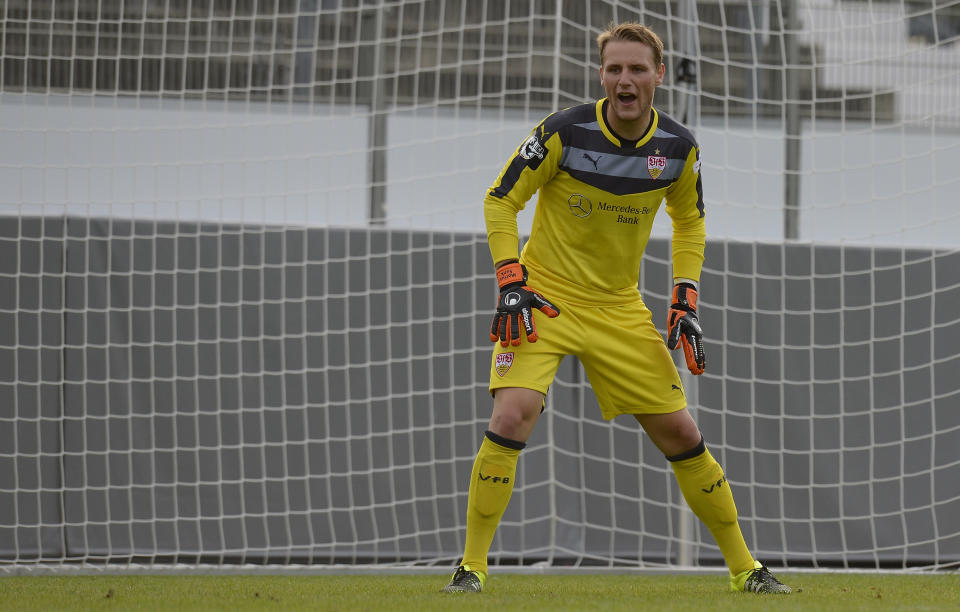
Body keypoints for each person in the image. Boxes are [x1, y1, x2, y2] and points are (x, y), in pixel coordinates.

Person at [440, 22, 791, 595]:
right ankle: (471, 568)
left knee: (680, 432)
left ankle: (746, 569)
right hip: (545, 297)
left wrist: (685, 297)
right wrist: (511, 280)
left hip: (619, 308)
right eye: (614, 69)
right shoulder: (563, 131)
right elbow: (500, 200)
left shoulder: (678, 148)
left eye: (636, 69)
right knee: (511, 416)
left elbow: (691, 222)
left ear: (658, 75)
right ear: (601, 75)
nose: (624, 80)